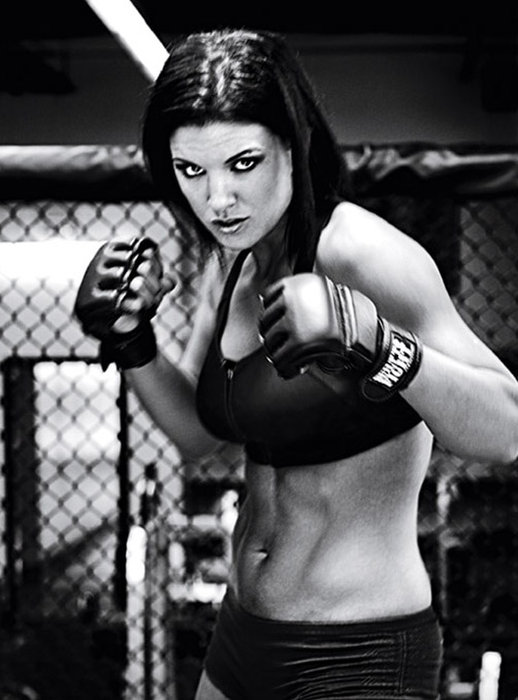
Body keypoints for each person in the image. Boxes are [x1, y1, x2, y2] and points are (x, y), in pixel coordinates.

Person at [73, 28, 518, 700]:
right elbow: (197, 435)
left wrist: (380, 345)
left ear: (296, 145)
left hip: (356, 651)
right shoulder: (230, 267)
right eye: (192, 170)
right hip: (239, 635)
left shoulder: (362, 252)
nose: (218, 199)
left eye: (243, 163)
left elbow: (506, 429)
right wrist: (132, 340)